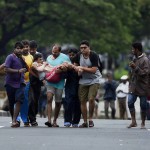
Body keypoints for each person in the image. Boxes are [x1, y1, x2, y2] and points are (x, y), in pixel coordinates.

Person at [74, 40, 101, 128]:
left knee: (91, 99)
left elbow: (93, 70)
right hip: (83, 80)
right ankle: (85, 121)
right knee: (82, 101)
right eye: (81, 48)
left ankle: (90, 119)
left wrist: (82, 68)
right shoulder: (78, 55)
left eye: (85, 48)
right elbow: (75, 66)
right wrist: (78, 69)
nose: (83, 49)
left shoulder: (93, 55)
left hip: (94, 79)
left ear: (89, 48)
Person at [45, 44, 71, 127]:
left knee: (58, 102)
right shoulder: (49, 58)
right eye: (53, 51)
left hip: (59, 83)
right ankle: (49, 120)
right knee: (49, 98)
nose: (53, 53)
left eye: (55, 52)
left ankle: (55, 120)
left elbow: (69, 67)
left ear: (59, 51)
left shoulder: (65, 58)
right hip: (50, 82)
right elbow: (45, 68)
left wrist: (63, 68)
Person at [4, 41, 27, 127]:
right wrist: (17, 71)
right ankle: (13, 119)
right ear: (14, 49)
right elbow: (6, 69)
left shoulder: (21, 58)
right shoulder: (10, 57)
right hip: (10, 82)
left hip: (20, 83)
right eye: (18, 48)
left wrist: (23, 69)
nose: (19, 50)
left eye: (21, 48)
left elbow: (26, 68)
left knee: (18, 100)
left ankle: (14, 120)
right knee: (11, 102)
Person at [127, 42, 149, 129]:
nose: (132, 51)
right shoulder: (134, 58)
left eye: (133, 49)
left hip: (143, 86)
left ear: (137, 49)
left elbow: (145, 73)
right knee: (130, 102)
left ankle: (143, 122)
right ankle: (133, 121)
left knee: (143, 105)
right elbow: (132, 72)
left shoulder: (145, 60)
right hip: (133, 85)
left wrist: (135, 67)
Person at [16, 40, 33, 127]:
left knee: (25, 100)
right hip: (17, 81)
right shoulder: (17, 57)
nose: (26, 48)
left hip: (27, 81)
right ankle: (16, 119)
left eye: (27, 46)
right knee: (17, 99)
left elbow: (31, 70)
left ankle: (25, 118)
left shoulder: (31, 57)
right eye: (24, 47)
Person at [63, 48, 81, 127]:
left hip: (79, 85)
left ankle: (75, 121)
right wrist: (65, 69)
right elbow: (64, 76)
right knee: (68, 103)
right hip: (69, 86)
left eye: (73, 55)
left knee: (78, 104)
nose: (71, 56)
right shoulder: (66, 64)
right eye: (70, 55)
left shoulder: (81, 64)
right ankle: (67, 120)